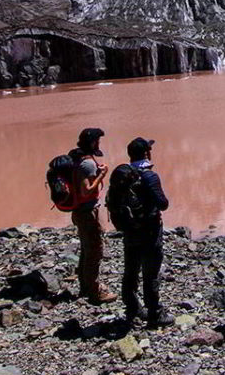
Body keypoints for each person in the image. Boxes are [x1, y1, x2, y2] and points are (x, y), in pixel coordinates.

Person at [113, 137, 174, 329]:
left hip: (130, 230)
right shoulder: (149, 176)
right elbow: (163, 204)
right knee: (150, 274)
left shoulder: (123, 175)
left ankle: (132, 309)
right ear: (147, 153)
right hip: (150, 231)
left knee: (130, 271)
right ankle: (154, 313)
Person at [69, 127, 117, 304]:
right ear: (92, 142)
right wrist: (102, 174)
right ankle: (95, 292)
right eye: (97, 141)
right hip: (87, 212)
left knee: (86, 248)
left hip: (79, 211)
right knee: (95, 251)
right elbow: (86, 189)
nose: (99, 144)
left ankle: (85, 286)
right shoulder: (87, 163)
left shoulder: (76, 157)